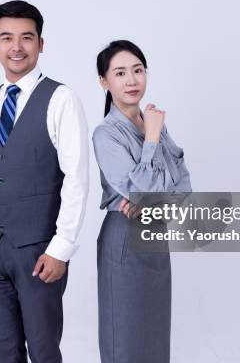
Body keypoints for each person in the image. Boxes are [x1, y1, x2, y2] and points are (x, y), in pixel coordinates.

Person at [0, 0, 89, 362]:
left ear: (41, 44)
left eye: (26, 37)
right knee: (4, 352)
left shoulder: (61, 98)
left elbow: (77, 176)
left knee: (43, 350)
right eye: (6, 38)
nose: (16, 47)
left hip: (40, 251)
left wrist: (61, 247)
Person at [92, 40, 192, 363]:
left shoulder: (154, 123)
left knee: (155, 341)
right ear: (104, 82)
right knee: (125, 340)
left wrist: (148, 196)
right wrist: (151, 139)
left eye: (138, 70)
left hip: (155, 237)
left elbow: (184, 187)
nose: (132, 80)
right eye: (120, 73)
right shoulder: (106, 134)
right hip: (123, 238)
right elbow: (142, 193)